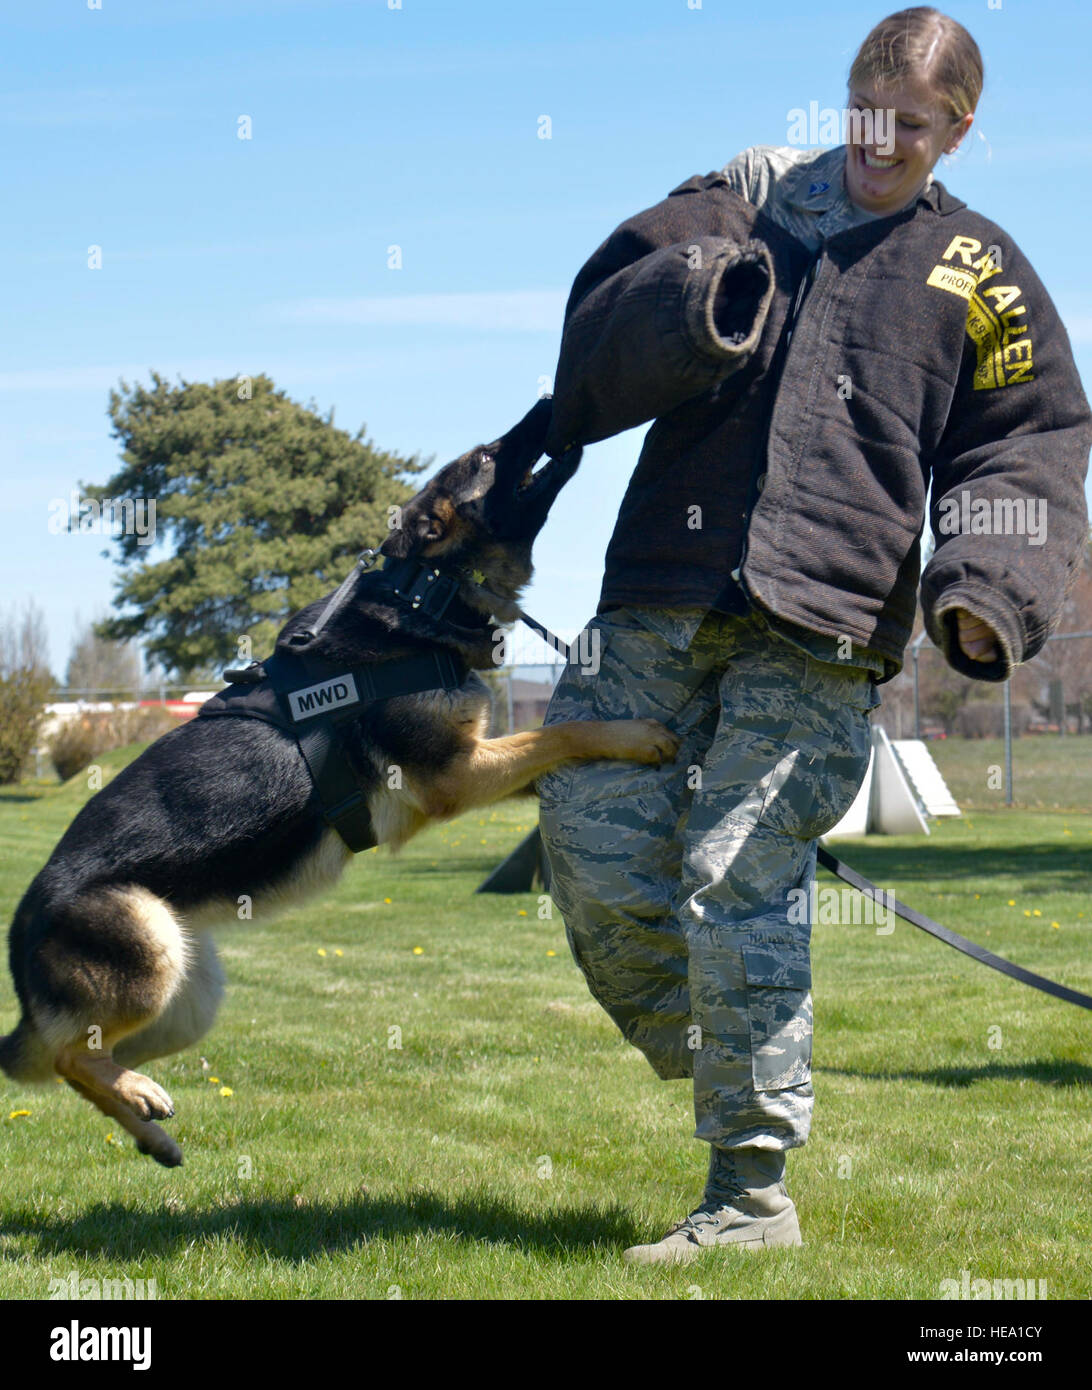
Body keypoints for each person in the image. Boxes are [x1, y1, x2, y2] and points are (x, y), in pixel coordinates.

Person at [535, 6, 1091, 1264]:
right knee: (587, 839)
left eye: (912, 125)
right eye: (862, 111)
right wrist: (695, 288)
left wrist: (987, 585)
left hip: (823, 622)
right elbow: (595, 330)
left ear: (960, 130)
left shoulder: (980, 274)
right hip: (661, 592)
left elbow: (1031, 439)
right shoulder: (746, 204)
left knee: (738, 873)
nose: (879, 143)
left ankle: (749, 1193)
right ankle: (741, 1047)